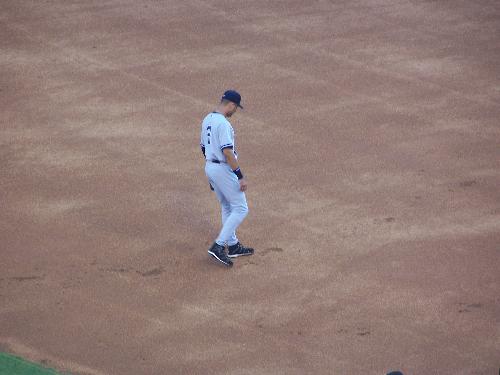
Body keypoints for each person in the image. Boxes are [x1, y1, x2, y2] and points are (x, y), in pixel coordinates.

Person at [200, 90, 254, 267]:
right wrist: (240, 176)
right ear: (231, 105)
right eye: (235, 108)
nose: (235, 111)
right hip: (222, 168)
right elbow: (227, 152)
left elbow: (203, 147)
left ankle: (232, 245)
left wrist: (211, 174)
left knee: (227, 205)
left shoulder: (207, 119)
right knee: (241, 208)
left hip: (210, 166)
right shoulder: (223, 124)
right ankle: (219, 245)